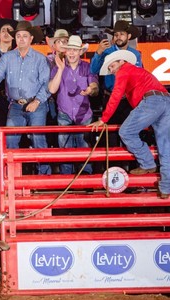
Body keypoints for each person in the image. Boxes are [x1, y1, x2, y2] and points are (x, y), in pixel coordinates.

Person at [89, 50, 170, 199]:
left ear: (121, 61)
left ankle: (147, 163)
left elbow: (116, 94)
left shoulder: (124, 71)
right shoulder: (138, 72)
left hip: (152, 101)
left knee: (126, 132)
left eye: (112, 66)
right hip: (165, 101)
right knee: (166, 147)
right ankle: (166, 188)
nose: (111, 70)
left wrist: (104, 119)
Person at [0, 21, 51, 175]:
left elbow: (47, 84)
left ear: (30, 39)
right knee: (10, 141)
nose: (21, 39)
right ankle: (12, 178)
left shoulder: (40, 59)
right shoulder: (7, 58)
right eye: (19, 36)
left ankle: (44, 178)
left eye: (25, 36)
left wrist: (37, 101)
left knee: (38, 140)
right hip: (15, 105)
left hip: (37, 104)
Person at [48, 35, 98, 175]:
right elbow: (52, 89)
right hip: (64, 113)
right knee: (65, 150)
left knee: (84, 148)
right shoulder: (58, 68)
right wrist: (59, 69)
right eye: (69, 49)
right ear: (65, 51)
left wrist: (90, 89)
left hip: (84, 114)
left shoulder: (88, 67)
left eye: (74, 50)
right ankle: (67, 179)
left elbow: (95, 86)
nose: (71, 53)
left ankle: (86, 180)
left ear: (80, 52)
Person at [90, 20, 143, 150]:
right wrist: (98, 53)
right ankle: (113, 167)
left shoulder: (136, 54)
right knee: (111, 137)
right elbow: (93, 70)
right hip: (110, 97)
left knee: (130, 134)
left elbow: (139, 76)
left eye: (122, 34)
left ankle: (129, 167)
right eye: (116, 34)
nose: (118, 37)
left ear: (128, 36)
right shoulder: (107, 52)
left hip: (128, 100)